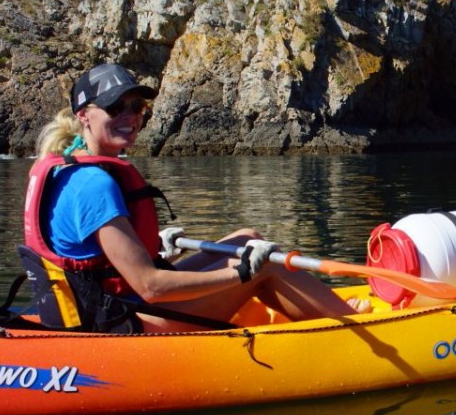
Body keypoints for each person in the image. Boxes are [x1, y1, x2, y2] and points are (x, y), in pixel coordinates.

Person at [21, 63, 364, 334]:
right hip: (126, 323)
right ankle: (357, 328)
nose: (130, 117)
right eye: (115, 108)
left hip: (114, 305)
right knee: (265, 264)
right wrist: (242, 274)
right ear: (84, 115)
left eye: (137, 106)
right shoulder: (93, 185)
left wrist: (150, 245)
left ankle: (323, 314)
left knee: (249, 238)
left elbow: (94, 250)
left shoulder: (69, 167)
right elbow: (152, 287)